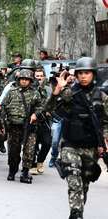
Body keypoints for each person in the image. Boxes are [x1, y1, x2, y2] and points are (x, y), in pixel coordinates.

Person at [45, 57, 108, 219]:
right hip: (70, 144)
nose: (83, 76)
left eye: (87, 73)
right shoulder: (69, 93)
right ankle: (76, 213)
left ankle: (77, 210)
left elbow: (106, 123)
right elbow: (49, 111)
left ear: (93, 74)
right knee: (74, 179)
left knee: (84, 184)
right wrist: (56, 92)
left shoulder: (102, 97)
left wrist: (105, 140)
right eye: (80, 73)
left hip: (90, 147)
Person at [1, 69, 43, 184]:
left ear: (30, 81)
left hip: (29, 126)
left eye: (27, 79)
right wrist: (3, 123)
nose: (24, 81)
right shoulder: (11, 92)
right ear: (19, 80)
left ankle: (25, 172)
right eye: (22, 79)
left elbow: (40, 106)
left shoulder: (35, 93)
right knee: (13, 151)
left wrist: (35, 114)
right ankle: (12, 170)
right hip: (14, 126)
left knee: (29, 151)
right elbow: (3, 107)